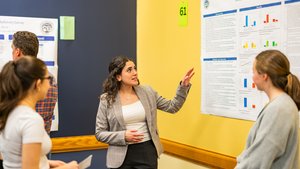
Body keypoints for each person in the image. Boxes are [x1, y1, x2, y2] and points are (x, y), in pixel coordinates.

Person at [95, 55, 194, 169]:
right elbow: (100, 133)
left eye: (135, 68)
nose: (135, 73)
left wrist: (183, 86)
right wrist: (123, 136)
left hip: (146, 152)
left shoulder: (147, 92)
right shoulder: (106, 100)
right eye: (129, 70)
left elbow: (173, 107)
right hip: (120, 157)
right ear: (118, 77)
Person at [0, 56, 78, 169]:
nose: (50, 85)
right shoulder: (31, 120)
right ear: (38, 83)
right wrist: (67, 168)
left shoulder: (9, 112)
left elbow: (16, 158)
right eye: (48, 79)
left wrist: (46, 163)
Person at [235, 50, 300, 169]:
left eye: (253, 72)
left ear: (264, 76)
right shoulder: (281, 104)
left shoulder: (279, 109)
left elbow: (257, 160)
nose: (252, 76)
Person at [11, 31, 58, 134]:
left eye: (12, 49)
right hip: (43, 143)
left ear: (17, 52)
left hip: (17, 145)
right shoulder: (50, 78)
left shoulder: (13, 78)